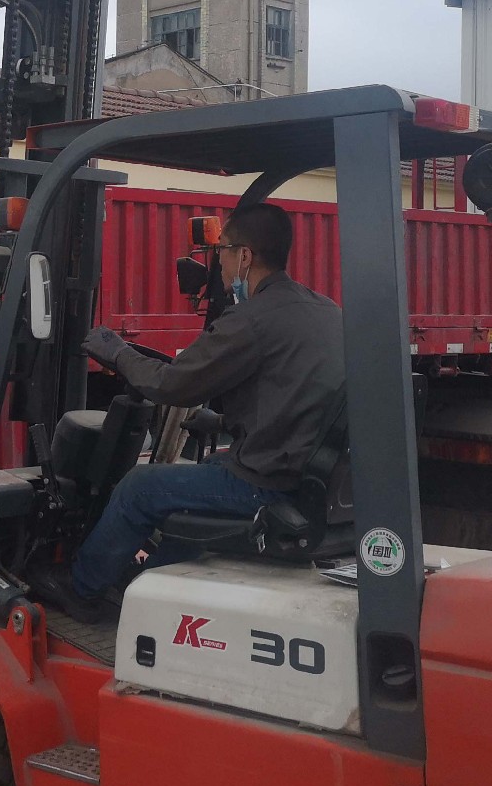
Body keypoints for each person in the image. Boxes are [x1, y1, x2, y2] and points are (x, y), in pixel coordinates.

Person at [31, 203, 344, 623]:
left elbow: (172, 385)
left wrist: (117, 353)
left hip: (269, 486)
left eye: (222, 251)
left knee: (140, 487)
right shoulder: (325, 310)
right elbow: (295, 395)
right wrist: (222, 422)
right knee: (204, 473)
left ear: (245, 256)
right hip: (310, 479)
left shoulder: (252, 319)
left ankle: (81, 588)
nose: (220, 264)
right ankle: (154, 583)